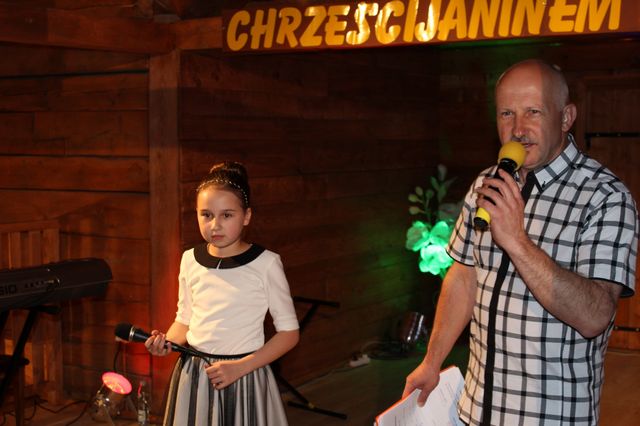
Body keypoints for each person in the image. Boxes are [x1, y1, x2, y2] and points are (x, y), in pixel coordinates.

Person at [403, 59, 638, 425]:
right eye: (507, 114)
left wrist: (516, 241)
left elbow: (595, 316)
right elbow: (463, 276)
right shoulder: (487, 184)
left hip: (549, 417)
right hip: (474, 411)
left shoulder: (605, 197)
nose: (517, 129)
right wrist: (432, 362)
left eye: (533, 112)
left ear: (566, 117)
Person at [145, 161, 300, 425]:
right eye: (206, 215)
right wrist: (166, 343)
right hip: (195, 374)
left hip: (244, 375)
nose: (215, 225)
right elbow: (184, 320)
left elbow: (289, 334)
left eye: (226, 215)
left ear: (246, 216)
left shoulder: (266, 263)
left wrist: (240, 367)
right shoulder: (190, 259)